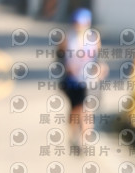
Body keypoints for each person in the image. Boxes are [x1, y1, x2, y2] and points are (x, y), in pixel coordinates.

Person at [57, 8, 106, 148]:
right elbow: (59, 57)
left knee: (87, 109)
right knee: (75, 109)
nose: (79, 26)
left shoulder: (94, 38)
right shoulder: (67, 38)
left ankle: (84, 139)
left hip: (89, 80)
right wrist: (66, 68)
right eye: (77, 23)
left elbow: (98, 58)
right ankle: (73, 134)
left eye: (82, 23)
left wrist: (100, 68)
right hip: (72, 81)